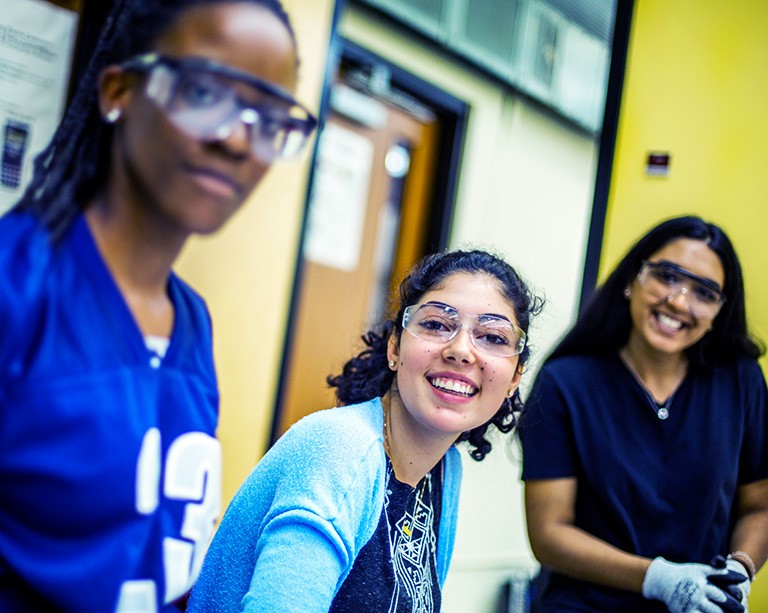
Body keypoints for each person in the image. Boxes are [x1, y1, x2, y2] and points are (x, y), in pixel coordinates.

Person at [0, 1, 317, 611]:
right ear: (118, 90)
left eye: (270, 117)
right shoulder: (19, 291)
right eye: (203, 92)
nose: (235, 139)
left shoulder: (191, 324)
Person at [187, 249, 542, 612]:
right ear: (394, 347)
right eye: (436, 324)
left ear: (515, 377)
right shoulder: (340, 448)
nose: (461, 350)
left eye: (492, 337)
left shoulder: (444, 471)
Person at [519, 216, 768, 612]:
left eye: (704, 292)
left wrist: (739, 569)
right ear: (632, 279)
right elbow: (549, 534)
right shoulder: (565, 384)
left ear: (718, 312)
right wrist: (658, 578)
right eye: (667, 277)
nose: (679, 301)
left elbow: (760, 505)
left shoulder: (740, 381)